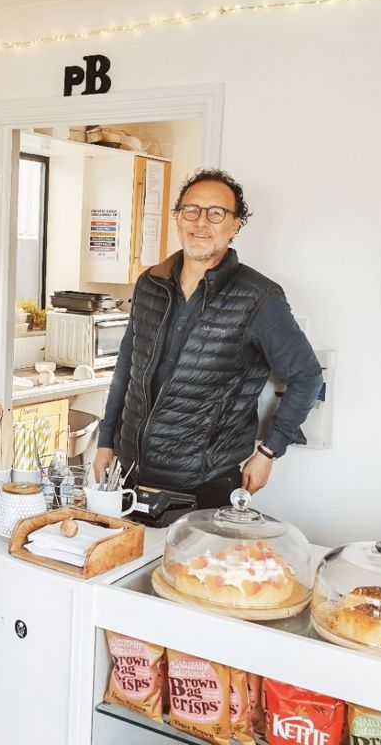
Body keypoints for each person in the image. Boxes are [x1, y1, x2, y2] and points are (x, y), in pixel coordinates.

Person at [93, 168, 323, 508]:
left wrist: (269, 452)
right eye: (192, 210)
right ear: (177, 218)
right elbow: (126, 368)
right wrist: (105, 439)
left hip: (204, 483)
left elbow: (306, 376)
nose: (201, 222)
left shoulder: (259, 297)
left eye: (216, 213)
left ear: (235, 225)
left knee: (195, 564)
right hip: (130, 474)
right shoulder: (150, 284)